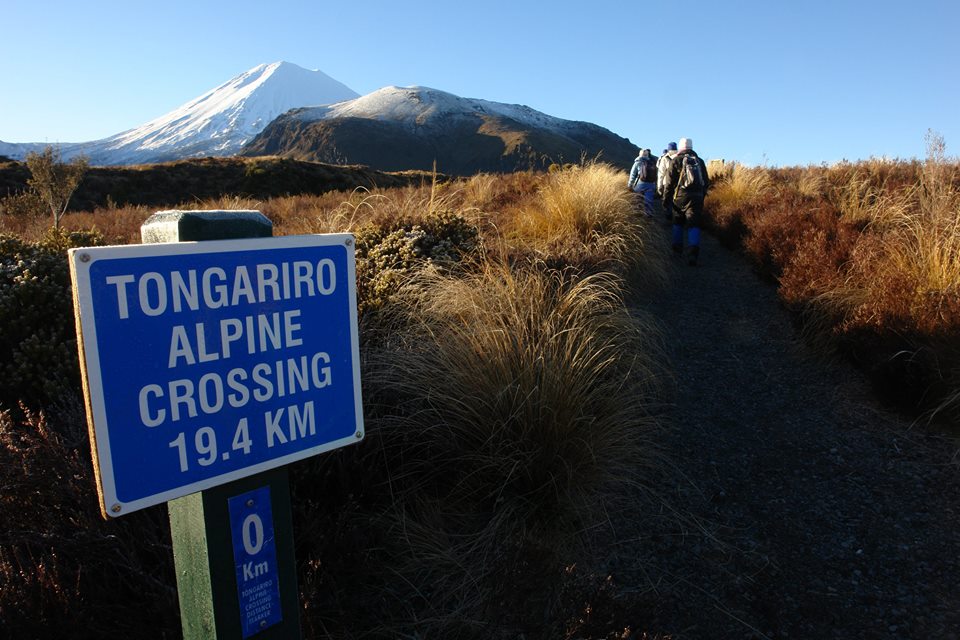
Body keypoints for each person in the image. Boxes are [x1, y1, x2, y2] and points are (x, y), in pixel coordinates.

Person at [663, 137, 710, 266]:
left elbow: (668, 183)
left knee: (678, 221)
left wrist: (666, 200)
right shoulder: (699, 161)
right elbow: (706, 181)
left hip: (680, 197)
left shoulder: (676, 160)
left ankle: (677, 251)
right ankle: (693, 253)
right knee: (694, 224)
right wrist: (702, 195)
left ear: (681, 147)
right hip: (696, 197)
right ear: (691, 147)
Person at [627, 148, 658, 217]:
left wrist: (630, 185)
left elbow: (632, 175)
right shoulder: (652, 162)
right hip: (651, 184)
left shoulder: (637, 162)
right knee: (649, 199)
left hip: (640, 183)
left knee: (638, 198)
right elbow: (656, 175)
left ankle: (637, 212)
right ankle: (648, 214)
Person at [657, 142, 679, 220]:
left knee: (667, 201)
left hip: (667, 183)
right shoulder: (681, 157)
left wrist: (659, 186)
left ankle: (669, 218)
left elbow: (661, 174)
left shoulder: (665, 158)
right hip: (679, 184)